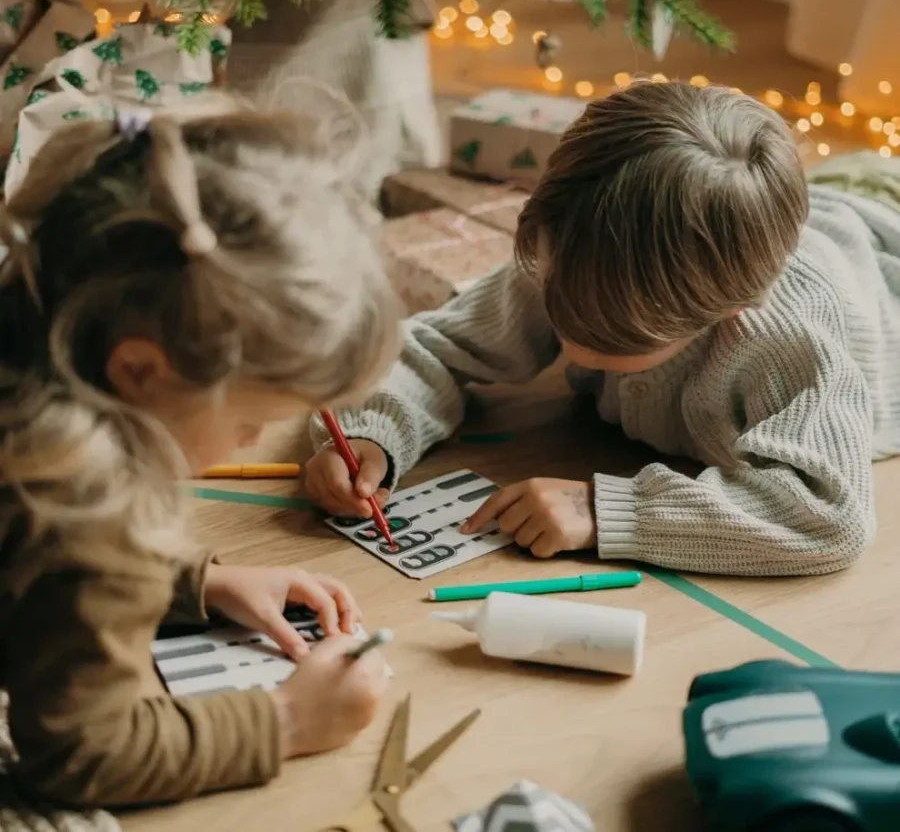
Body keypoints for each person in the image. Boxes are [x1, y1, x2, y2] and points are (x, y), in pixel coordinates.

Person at [304, 80, 900, 578]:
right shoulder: (576, 252)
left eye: (611, 334)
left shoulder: (786, 335)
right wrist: (372, 433)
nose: (566, 334)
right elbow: (435, 345)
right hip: (813, 201)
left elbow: (827, 517)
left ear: (725, 312)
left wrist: (605, 510)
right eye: (554, 295)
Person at [0, 95, 401, 806]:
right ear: (140, 372)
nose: (250, 443)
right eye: (253, 421)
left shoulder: (35, 318)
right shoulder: (83, 505)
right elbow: (84, 750)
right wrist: (286, 718)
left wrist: (192, 582)